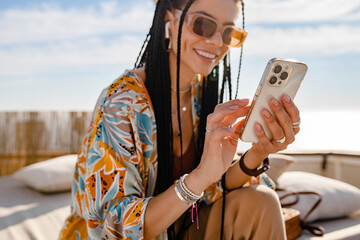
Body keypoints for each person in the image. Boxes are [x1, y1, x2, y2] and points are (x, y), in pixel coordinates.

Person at [59, 0, 301, 239]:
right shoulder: (122, 102)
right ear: (168, 21)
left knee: (262, 202)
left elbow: (209, 190)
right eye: (202, 24)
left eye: (229, 33)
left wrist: (257, 153)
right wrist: (198, 178)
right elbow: (112, 230)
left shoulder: (200, 95)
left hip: (180, 227)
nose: (217, 42)